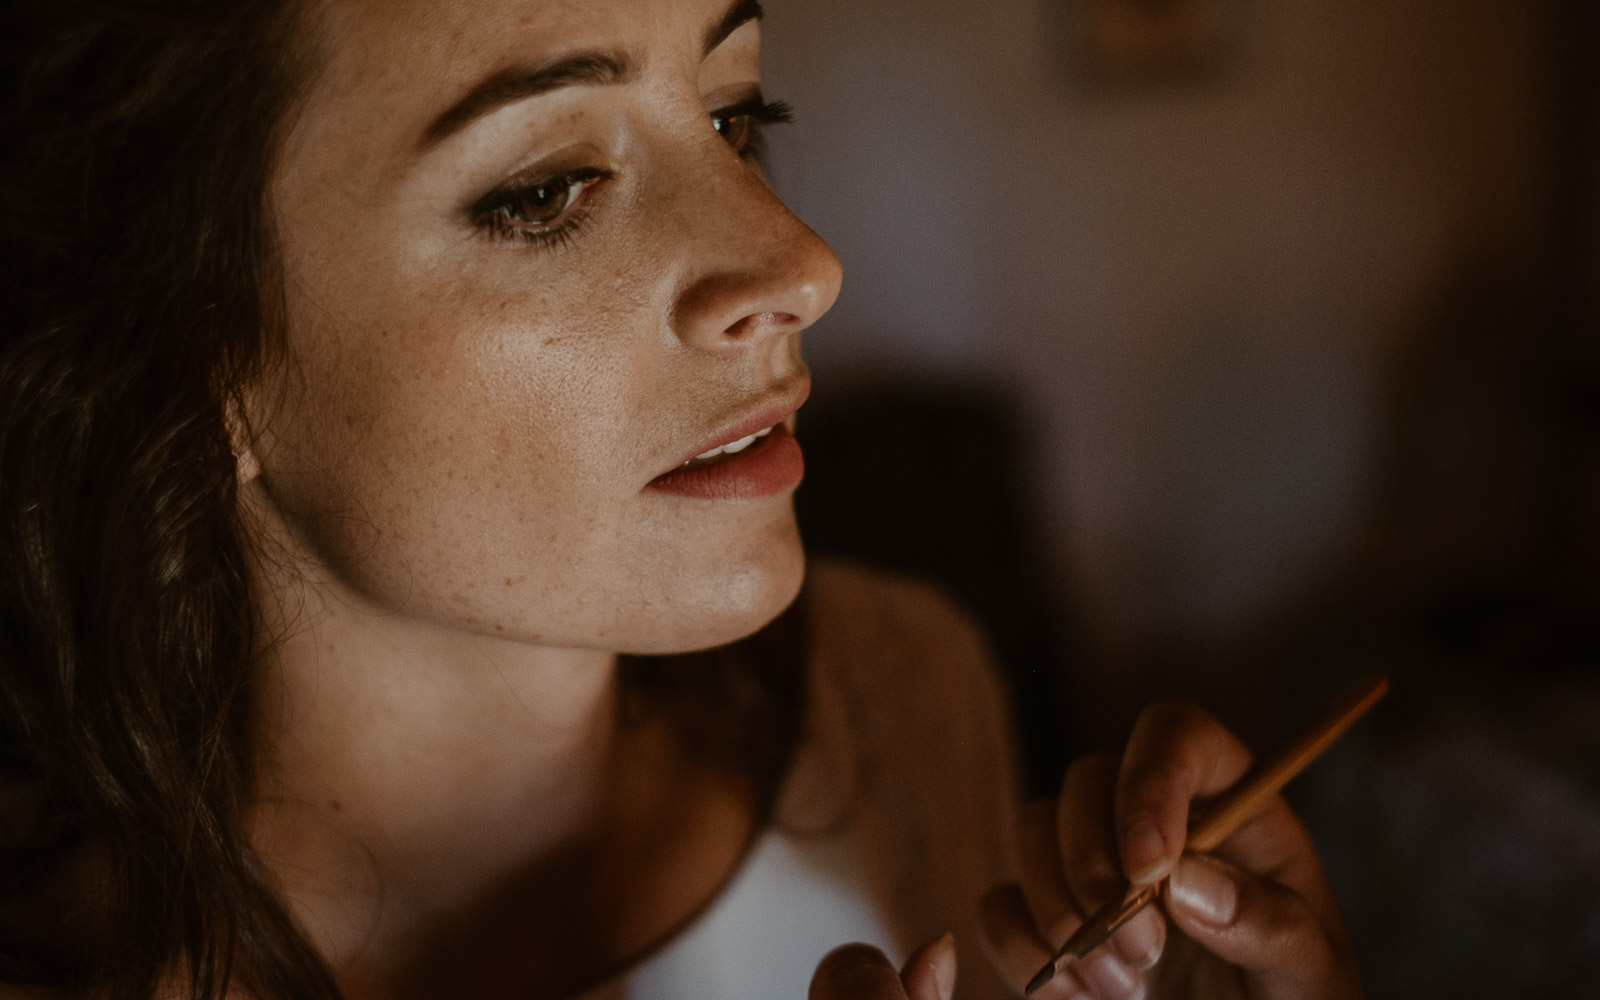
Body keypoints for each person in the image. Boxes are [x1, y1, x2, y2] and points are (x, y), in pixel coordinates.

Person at [0, 0, 1362, 997]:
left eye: (733, 115)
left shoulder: (898, 691)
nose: (800, 261)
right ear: (189, 357)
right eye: (545, 190)